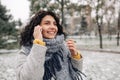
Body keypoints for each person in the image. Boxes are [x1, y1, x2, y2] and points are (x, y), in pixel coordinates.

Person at [16, 10, 87, 80]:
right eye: (47, 23)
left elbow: (76, 71)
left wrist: (74, 55)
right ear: (36, 28)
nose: (53, 27)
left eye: (55, 24)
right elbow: (29, 78)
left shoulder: (63, 47)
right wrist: (38, 44)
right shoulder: (26, 51)